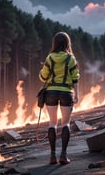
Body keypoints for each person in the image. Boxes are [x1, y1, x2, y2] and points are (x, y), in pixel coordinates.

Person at [39, 32, 80, 165]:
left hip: (50, 93)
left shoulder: (50, 58)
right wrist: (77, 94)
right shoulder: (71, 59)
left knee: (52, 123)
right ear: (67, 43)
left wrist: (42, 70)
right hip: (66, 93)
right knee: (66, 124)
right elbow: (75, 78)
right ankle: (63, 155)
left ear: (55, 43)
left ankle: (52, 156)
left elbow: (43, 77)